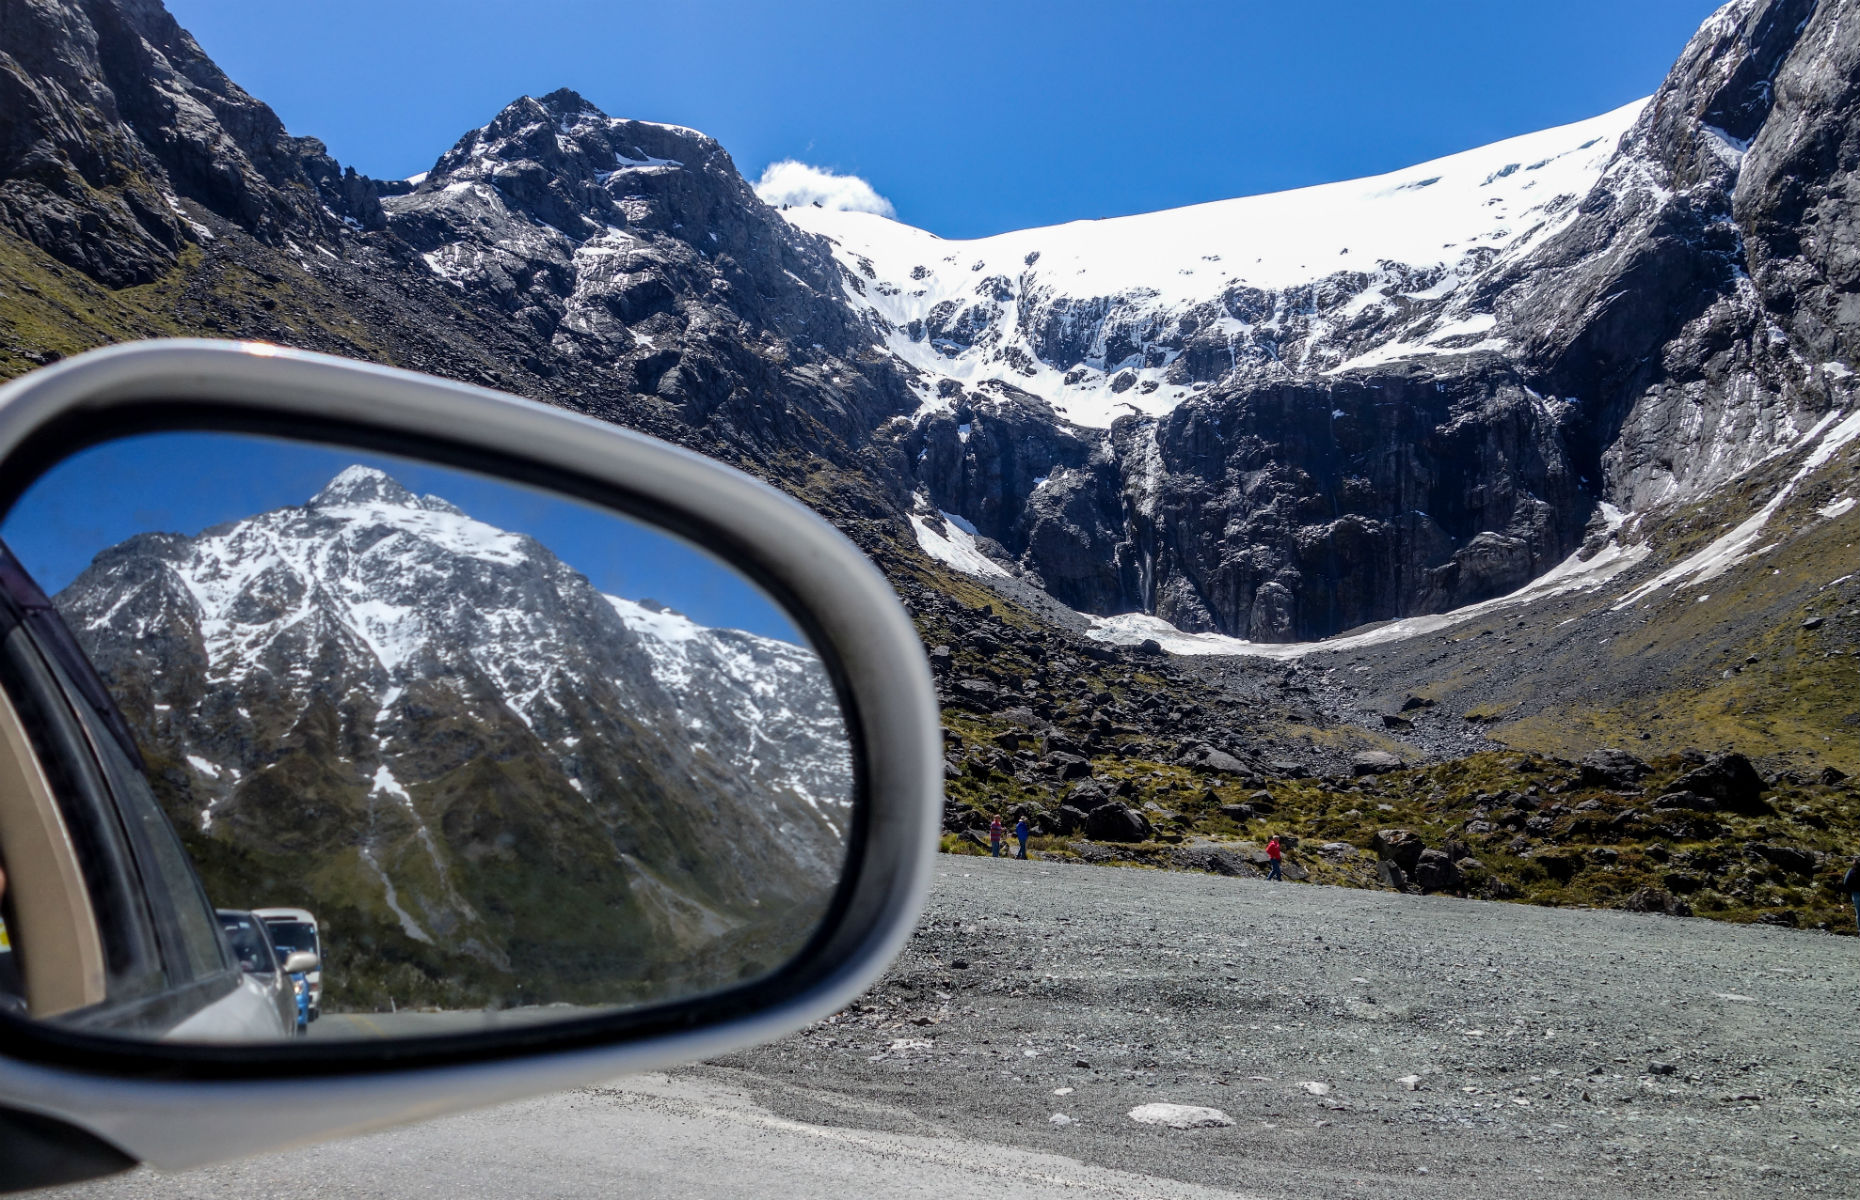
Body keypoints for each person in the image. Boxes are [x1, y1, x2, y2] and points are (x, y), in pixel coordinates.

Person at [1843, 856, 1860, 933]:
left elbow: (1846, 882)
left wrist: (1851, 890)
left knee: (1859, 913)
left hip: (1855, 893)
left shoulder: (1851, 871)